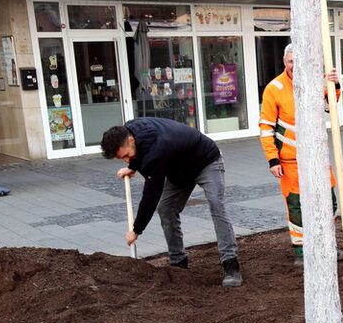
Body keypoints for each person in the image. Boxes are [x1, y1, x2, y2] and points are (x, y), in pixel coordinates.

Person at [101, 118, 243, 287]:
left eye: (125, 156)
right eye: (121, 158)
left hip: (206, 160)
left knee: (216, 204)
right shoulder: (130, 128)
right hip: (179, 170)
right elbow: (140, 151)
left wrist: (136, 229)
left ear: (131, 140)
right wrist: (132, 166)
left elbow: (150, 196)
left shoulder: (157, 152)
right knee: (166, 209)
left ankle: (230, 264)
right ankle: (178, 263)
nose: (125, 160)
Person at [259, 43, 343, 267]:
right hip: (290, 162)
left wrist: (334, 84)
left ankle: (326, 245)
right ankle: (302, 251)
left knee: (328, 202)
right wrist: (272, 159)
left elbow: (330, 106)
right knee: (296, 207)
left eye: (298, 61)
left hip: (318, 159)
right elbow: (266, 127)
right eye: (290, 62)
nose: (294, 66)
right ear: (284, 62)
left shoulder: (317, 80)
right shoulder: (274, 88)